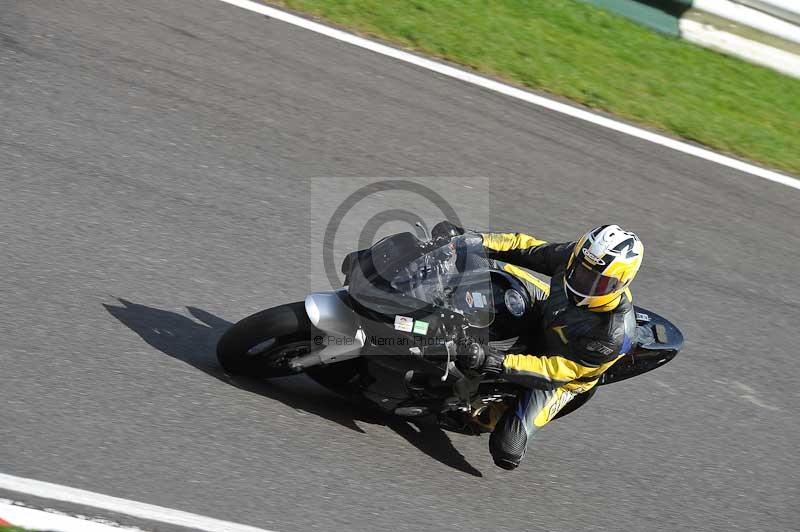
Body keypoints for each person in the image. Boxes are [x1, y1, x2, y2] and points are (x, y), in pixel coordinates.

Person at [437, 223, 643, 470]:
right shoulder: (575, 259)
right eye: (580, 270)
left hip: (563, 374)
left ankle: (485, 413)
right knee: (481, 265)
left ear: (620, 283)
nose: (582, 281)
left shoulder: (611, 333)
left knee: (507, 450)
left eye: (596, 282)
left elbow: (552, 372)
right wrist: (470, 240)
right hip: (549, 308)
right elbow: (526, 247)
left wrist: (491, 360)